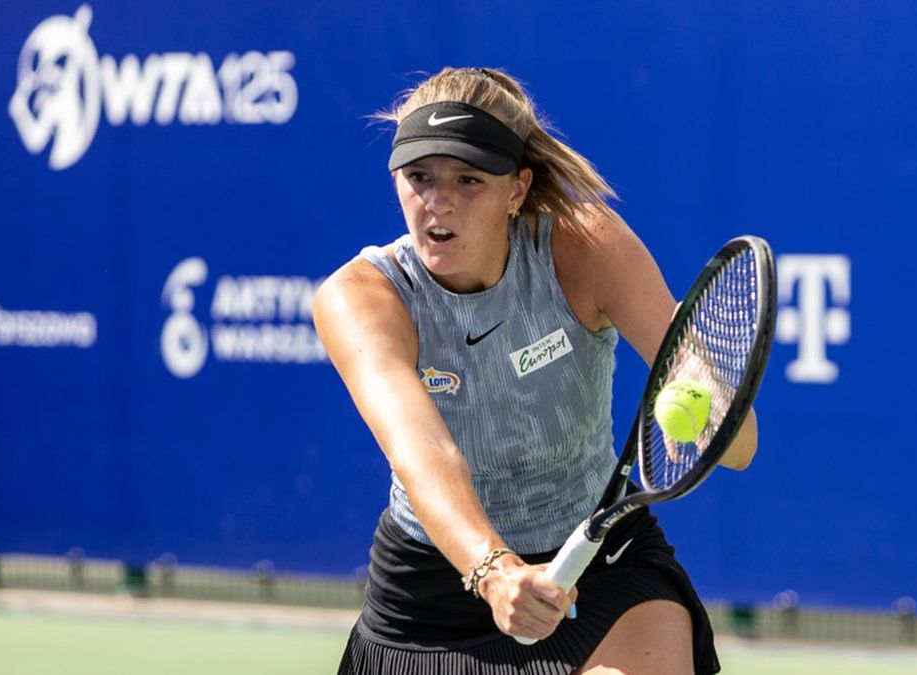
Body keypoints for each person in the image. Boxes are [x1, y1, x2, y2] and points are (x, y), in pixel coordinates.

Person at [313, 66, 758, 675]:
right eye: (418, 177)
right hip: (431, 600)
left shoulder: (584, 246)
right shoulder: (361, 297)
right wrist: (495, 572)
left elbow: (740, 448)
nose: (437, 202)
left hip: (603, 569)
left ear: (517, 190)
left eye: (468, 180)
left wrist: (704, 385)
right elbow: (423, 453)